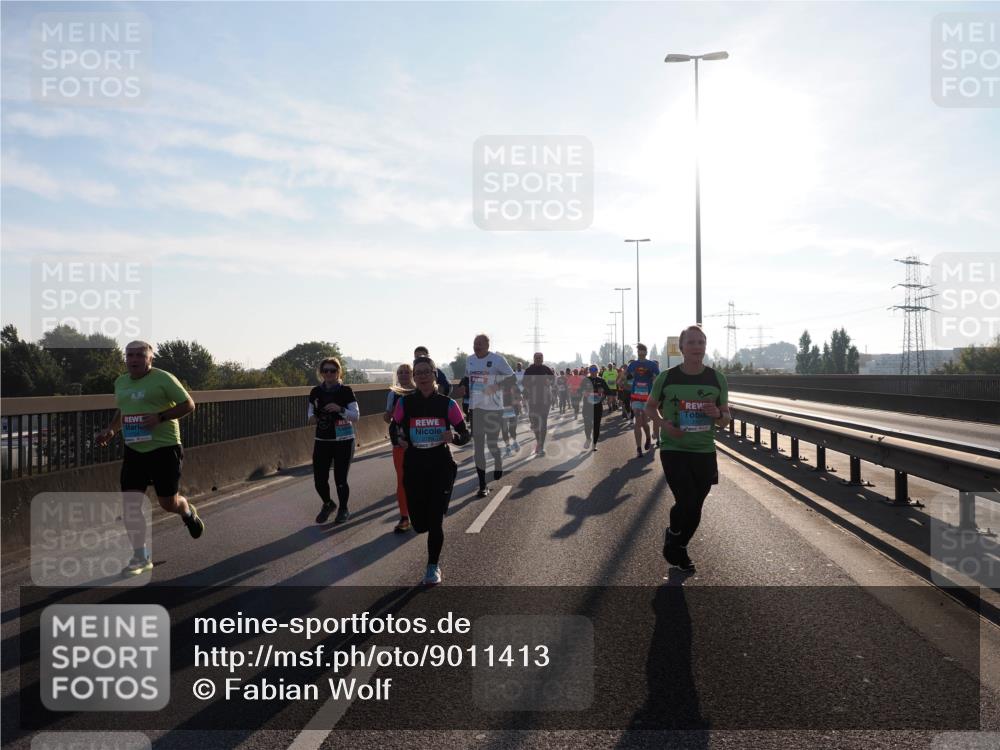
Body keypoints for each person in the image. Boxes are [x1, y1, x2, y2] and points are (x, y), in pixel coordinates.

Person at [95, 341, 202, 577]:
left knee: (167, 503)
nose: (133, 359)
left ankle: (186, 511)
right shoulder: (121, 382)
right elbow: (123, 410)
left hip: (165, 448)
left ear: (150, 358)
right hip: (135, 450)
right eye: (129, 355)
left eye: (139, 355)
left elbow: (189, 405)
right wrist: (111, 431)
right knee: (131, 504)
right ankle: (140, 557)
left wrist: (160, 417)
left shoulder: (164, 378)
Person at [645, 325, 730, 573]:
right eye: (691, 343)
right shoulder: (667, 377)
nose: (697, 347)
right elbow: (650, 407)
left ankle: (676, 540)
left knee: (695, 507)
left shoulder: (717, 378)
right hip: (674, 448)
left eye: (701, 342)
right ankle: (679, 549)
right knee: (687, 501)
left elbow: (726, 417)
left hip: (704, 451)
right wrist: (664, 426)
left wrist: (718, 414)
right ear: (681, 348)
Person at [392, 356, 470, 585]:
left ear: (435, 375)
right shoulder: (405, 404)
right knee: (420, 524)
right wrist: (400, 438)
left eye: (427, 372)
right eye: (419, 373)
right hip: (414, 466)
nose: (423, 376)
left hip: (440, 466)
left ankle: (432, 567)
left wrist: (453, 437)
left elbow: (464, 434)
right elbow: (394, 426)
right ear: (414, 378)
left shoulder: (447, 404)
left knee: (435, 521)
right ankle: (424, 529)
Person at [309, 357, 359, 525]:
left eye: (333, 370)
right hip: (322, 439)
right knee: (319, 479)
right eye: (326, 371)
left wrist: (340, 409)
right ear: (321, 373)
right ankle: (328, 503)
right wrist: (314, 418)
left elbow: (356, 416)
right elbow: (310, 414)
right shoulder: (315, 392)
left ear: (339, 372)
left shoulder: (346, 391)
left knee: (340, 478)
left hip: (343, 439)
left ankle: (343, 509)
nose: (329, 373)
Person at [466, 334, 514, 497]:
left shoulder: (497, 360)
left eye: (479, 343)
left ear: (487, 345)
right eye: (474, 343)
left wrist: (496, 386)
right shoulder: (469, 360)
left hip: (494, 409)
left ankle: (498, 461)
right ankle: (482, 484)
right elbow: (469, 380)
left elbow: (512, 379)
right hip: (477, 409)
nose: (476, 346)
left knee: (492, 443)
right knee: (478, 447)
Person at [383, 364, 415, 533]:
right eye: (400, 372)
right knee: (402, 480)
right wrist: (389, 415)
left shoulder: (420, 391)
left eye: (407, 372)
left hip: (419, 443)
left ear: (412, 374)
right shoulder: (393, 394)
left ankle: (419, 511)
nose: (403, 375)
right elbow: (388, 418)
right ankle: (404, 517)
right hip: (400, 443)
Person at [627, 345, 661, 457]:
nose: (641, 352)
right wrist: (625, 381)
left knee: (644, 422)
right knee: (637, 420)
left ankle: (647, 438)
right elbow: (627, 377)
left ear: (646, 352)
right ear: (637, 352)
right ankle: (638, 448)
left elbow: (659, 377)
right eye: (639, 350)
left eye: (643, 350)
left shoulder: (652, 364)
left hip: (647, 397)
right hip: (636, 396)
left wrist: (654, 380)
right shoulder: (633, 364)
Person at [522, 352, 555, 455]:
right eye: (536, 358)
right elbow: (524, 383)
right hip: (533, 400)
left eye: (540, 358)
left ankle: (541, 446)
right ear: (533, 358)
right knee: (535, 423)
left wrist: (549, 382)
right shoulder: (529, 370)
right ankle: (538, 441)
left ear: (543, 359)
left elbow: (553, 380)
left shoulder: (546, 369)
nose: (538, 359)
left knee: (543, 422)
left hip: (545, 400)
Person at [577, 365, 608, 451]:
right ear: (589, 371)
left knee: (596, 425)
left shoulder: (601, 380)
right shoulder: (585, 380)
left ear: (597, 370)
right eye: (591, 369)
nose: (593, 371)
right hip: (587, 406)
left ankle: (594, 444)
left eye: (595, 369)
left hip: (597, 406)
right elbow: (579, 391)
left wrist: (602, 396)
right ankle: (588, 439)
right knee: (587, 424)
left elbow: (607, 391)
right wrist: (583, 392)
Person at [500, 376, 521, 456]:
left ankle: (512, 444)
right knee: (507, 429)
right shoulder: (500, 385)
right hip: (504, 409)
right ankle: (509, 446)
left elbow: (519, 398)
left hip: (511, 409)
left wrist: (516, 402)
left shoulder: (514, 385)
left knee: (509, 429)